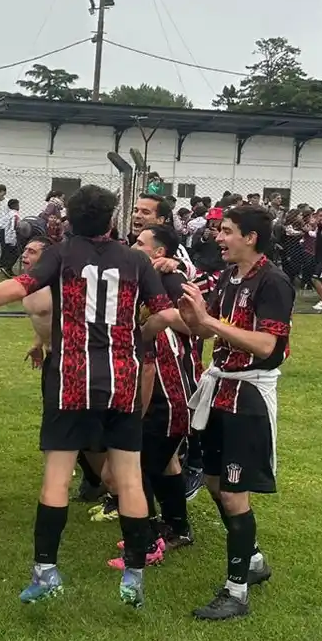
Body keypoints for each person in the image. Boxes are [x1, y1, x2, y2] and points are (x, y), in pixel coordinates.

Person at [0, 184, 182, 609]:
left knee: (56, 475)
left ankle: (46, 570)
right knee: (128, 476)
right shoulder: (137, 260)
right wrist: (162, 327)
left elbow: (19, 288)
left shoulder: (62, 254)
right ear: (111, 219)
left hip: (71, 378)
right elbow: (166, 311)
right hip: (120, 380)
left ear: (69, 219)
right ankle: (135, 574)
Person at [167, 204, 293, 620]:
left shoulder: (273, 282)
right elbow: (206, 327)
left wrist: (208, 322)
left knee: (235, 493)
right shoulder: (228, 277)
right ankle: (253, 561)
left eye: (226, 231)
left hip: (248, 398)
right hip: (219, 390)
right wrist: (192, 314)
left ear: (250, 237)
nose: (218, 237)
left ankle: (236, 592)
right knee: (218, 484)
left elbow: (266, 346)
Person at [120, 223, 203, 570]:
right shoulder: (149, 279)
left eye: (140, 242)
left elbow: (198, 324)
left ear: (159, 252)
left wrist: (161, 319)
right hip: (172, 394)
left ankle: (149, 541)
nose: (132, 245)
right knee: (166, 462)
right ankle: (177, 528)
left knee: (138, 468)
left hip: (167, 396)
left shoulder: (165, 282)